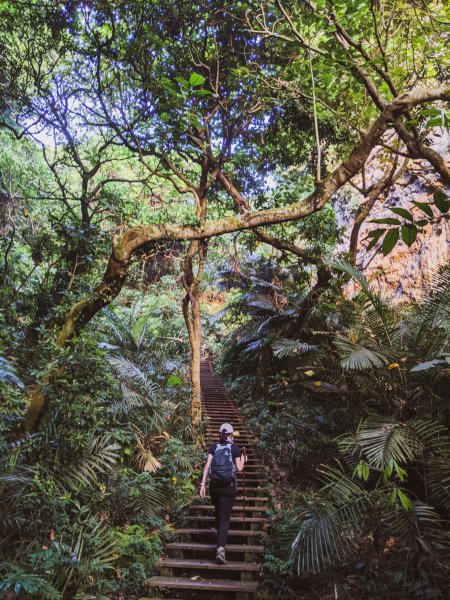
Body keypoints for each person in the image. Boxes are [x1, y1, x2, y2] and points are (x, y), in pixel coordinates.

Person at [199, 422, 247, 565]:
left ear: (220, 434)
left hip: (215, 487)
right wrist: (244, 457)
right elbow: (239, 468)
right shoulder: (235, 448)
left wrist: (203, 485)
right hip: (229, 487)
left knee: (218, 513)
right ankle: (220, 549)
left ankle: (220, 538)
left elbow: (207, 466)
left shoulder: (214, 447)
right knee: (224, 517)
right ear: (231, 435)